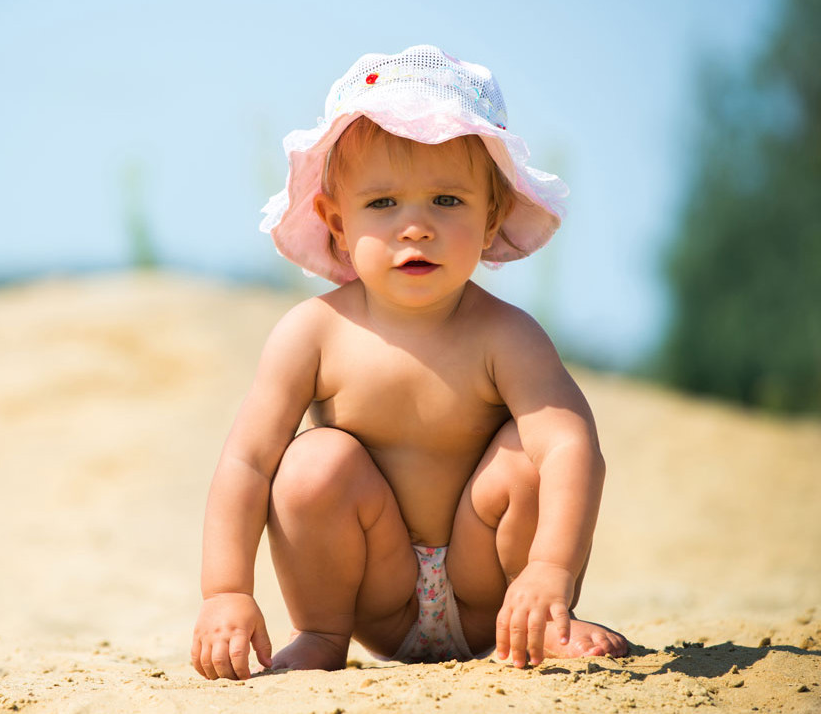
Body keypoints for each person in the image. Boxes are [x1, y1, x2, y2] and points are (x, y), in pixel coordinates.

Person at [191, 45, 629, 681]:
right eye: (382, 203)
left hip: (495, 595)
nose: (415, 227)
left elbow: (572, 450)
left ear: (492, 217)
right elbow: (247, 461)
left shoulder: (507, 336)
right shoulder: (314, 332)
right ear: (335, 222)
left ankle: (544, 620)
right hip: (375, 592)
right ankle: (319, 632)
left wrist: (549, 569)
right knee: (313, 460)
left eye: (447, 201)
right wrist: (224, 590)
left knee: (532, 448)